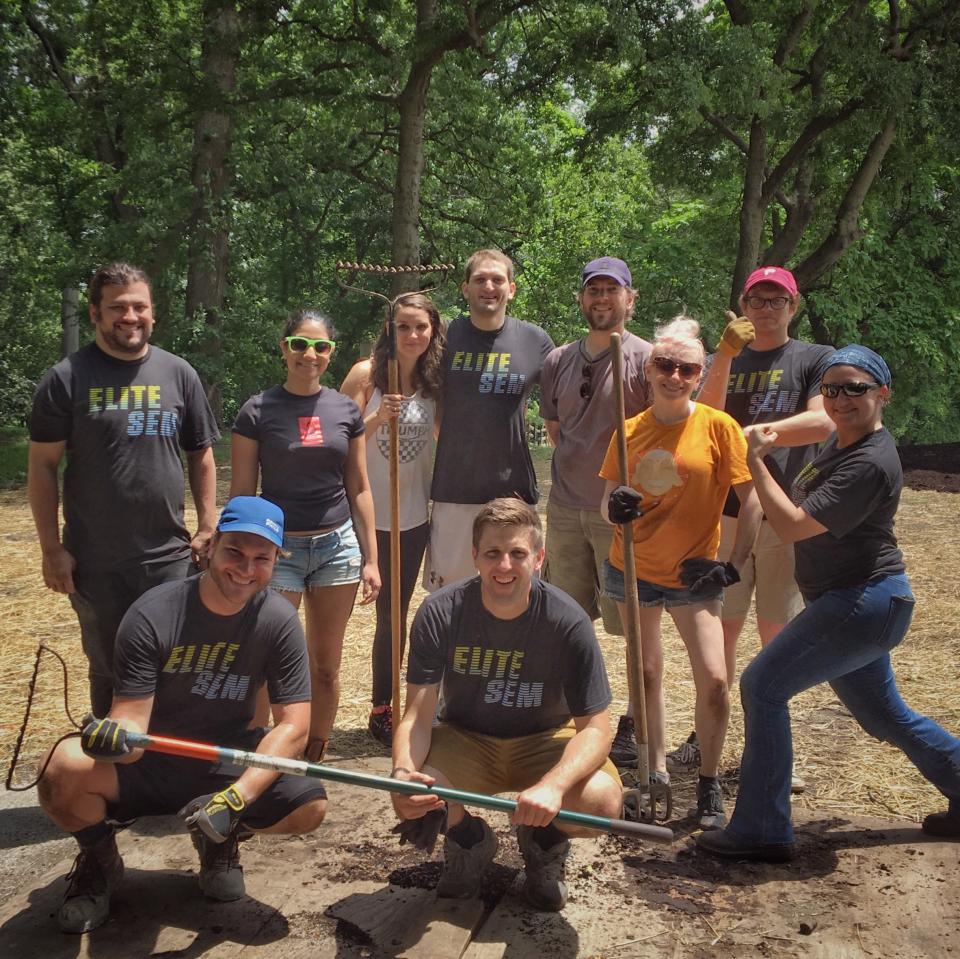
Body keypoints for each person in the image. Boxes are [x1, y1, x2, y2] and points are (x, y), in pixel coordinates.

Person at [697, 346, 960, 861]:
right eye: (833, 389)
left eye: (855, 388)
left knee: (761, 687)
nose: (841, 399)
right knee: (886, 717)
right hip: (857, 605)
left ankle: (763, 828)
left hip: (861, 603)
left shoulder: (871, 459)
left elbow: (793, 524)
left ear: (882, 394)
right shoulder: (840, 444)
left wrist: (755, 460)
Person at [37, 497, 328, 934]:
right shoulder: (154, 614)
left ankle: (219, 835)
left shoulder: (279, 620)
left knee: (310, 806)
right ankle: (100, 860)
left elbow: (293, 726)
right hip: (151, 761)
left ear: (275, 561)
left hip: (226, 760)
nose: (246, 569)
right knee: (60, 769)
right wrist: (116, 738)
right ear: (210, 548)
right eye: (235, 552)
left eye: (261, 558)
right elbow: (132, 720)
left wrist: (239, 797)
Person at [391, 498, 622, 912]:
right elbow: (417, 717)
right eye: (493, 553)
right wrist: (402, 775)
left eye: (518, 554)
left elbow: (596, 729)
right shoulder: (439, 611)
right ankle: (468, 841)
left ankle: (545, 842)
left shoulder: (568, 621)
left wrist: (553, 786)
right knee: (419, 791)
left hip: (546, 739)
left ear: (538, 558)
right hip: (466, 737)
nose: (505, 566)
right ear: (474, 555)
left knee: (602, 802)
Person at [28, 263, 219, 717]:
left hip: (169, 556)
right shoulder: (67, 379)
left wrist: (209, 524)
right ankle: (114, 769)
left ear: (153, 313)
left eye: (139, 306)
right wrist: (51, 548)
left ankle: (168, 769)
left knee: (175, 664)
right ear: (95, 313)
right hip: (96, 561)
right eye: (117, 307)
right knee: (111, 669)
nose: (129, 316)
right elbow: (42, 466)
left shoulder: (179, 374)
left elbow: (202, 455)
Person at [599, 317, 763, 829]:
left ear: (698, 375)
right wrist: (616, 508)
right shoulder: (628, 432)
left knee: (715, 679)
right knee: (646, 672)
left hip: (695, 576)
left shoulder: (718, 427)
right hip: (634, 569)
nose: (674, 376)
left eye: (686, 369)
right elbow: (607, 501)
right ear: (649, 369)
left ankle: (710, 785)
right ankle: (656, 770)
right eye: (664, 365)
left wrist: (730, 567)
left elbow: (750, 499)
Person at [672, 266, 834, 781]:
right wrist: (722, 354)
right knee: (720, 636)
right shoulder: (727, 354)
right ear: (743, 305)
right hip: (727, 515)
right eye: (757, 300)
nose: (766, 310)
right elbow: (703, 415)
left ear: (794, 306)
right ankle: (705, 740)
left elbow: (823, 419)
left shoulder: (814, 358)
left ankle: (771, 752)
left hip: (787, 512)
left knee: (777, 638)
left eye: (776, 301)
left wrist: (748, 435)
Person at [231, 309, 380, 761]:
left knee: (326, 668)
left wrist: (371, 558)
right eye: (299, 344)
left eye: (320, 346)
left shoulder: (344, 410)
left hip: (336, 548)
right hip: (278, 551)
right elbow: (241, 493)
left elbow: (359, 486)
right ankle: (262, 753)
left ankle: (313, 756)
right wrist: (236, 553)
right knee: (263, 662)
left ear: (331, 353)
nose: (309, 354)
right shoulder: (257, 410)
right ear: (284, 349)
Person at [539, 256, 651, 767]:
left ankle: (634, 722)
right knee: (564, 618)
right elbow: (558, 431)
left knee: (631, 626)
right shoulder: (558, 359)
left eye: (612, 290)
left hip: (620, 516)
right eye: (593, 290)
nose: (601, 299)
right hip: (564, 511)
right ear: (582, 298)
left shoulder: (649, 361)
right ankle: (568, 714)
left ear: (630, 299)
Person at [340, 293, 445, 746]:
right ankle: (321, 703)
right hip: (363, 514)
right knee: (346, 612)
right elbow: (337, 438)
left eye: (421, 327)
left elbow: (446, 437)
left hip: (412, 517)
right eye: (404, 327)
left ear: (433, 332)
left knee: (394, 615)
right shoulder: (367, 375)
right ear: (390, 329)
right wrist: (378, 415)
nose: (413, 335)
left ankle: (385, 707)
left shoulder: (434, 381)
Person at [425, 249, 554, 590]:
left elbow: (562, 403)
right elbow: (424, 398)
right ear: (465, 288)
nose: (489, 286)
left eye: (497, 279)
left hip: (513, 490)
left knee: (516, 590)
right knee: (449, 594)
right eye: (480, 279)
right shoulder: (442, 337)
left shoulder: (535, 340)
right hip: (454, 490)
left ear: (511, 288)